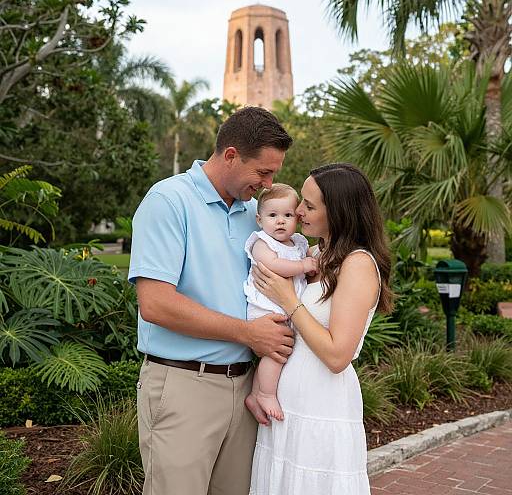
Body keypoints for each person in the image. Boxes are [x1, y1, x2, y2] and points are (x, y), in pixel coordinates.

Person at [128, 106, 295, 495]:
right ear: (232, 155)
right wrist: (249, 334)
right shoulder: (168, 201)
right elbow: (155, 304)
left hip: (246, 388)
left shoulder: (256, 213)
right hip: (184, 386)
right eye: (263, 172)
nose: (270, 183)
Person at [249, 163, 394, 495]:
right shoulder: (311, 254)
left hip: (321, 404)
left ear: (340, 212)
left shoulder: (358, 264)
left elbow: (336, 355)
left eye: (310, 206)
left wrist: (289, 300)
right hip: (286, 401)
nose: (298, 212)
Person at [243, 183, 317, 422]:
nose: (280, 221)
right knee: (277, 352)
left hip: (285, 305)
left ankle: (255, 394)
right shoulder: (262, 243)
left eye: (287, 215)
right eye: (272, 215)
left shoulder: (298, 243)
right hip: (267, 308)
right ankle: (265, 393)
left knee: (280, 350)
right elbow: (274, 266)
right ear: (259, 218)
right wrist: (303, 266)